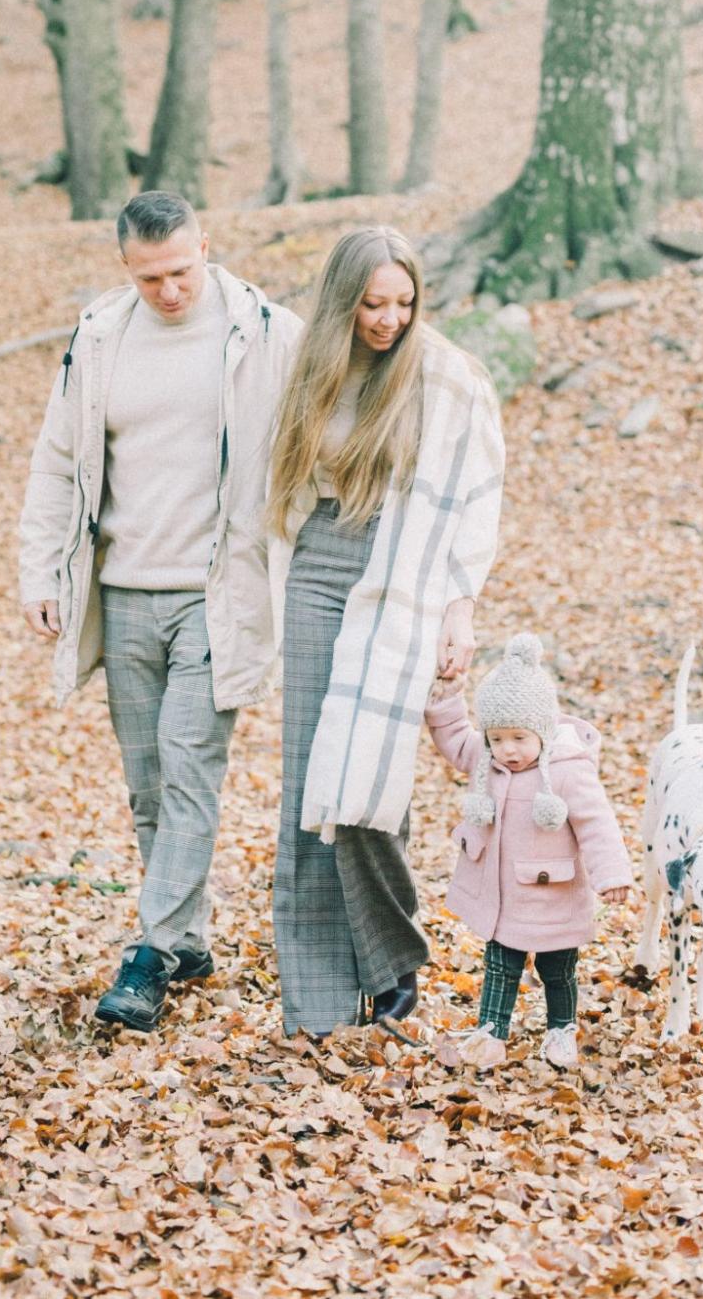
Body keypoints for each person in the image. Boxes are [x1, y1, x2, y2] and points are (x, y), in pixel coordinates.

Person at [18, 190, 302, 1031]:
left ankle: (146, 958)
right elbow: (56, 461)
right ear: (125, 268)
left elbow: (319, 433)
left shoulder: (265, 333)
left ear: (205, 248)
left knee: (189, 769)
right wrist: (42, 571)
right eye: (151, 277)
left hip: (218, 595)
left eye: (181, 271)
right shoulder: (101, 337)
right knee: (148, 786)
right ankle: (187, 936)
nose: (169, 290)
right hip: (123, 593)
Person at [267, 225, 505, 1040]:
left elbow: (475, 500)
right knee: (309, 784)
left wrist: (458, 607)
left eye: (403, 303)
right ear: (342, 300)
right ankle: (319, 998)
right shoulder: (306, 365)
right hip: (321, 560)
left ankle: (392, 959)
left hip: (404, 573)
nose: (388, 320)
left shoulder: (447, 379)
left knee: (367, 780)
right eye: (371, 303)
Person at [424, 633, 632, 1071]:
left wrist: (611, 874)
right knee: (500, 966)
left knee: (558, 970)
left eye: (519, 737)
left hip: (552, 895)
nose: (508, 750)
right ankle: (491, 1032)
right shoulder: (488, 760)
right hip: (503, 898)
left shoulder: (569, 772)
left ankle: (561, 1029)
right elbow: (455, 737)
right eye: (497, 738)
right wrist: (445, 696)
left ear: (543, 732)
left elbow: (597, 824)